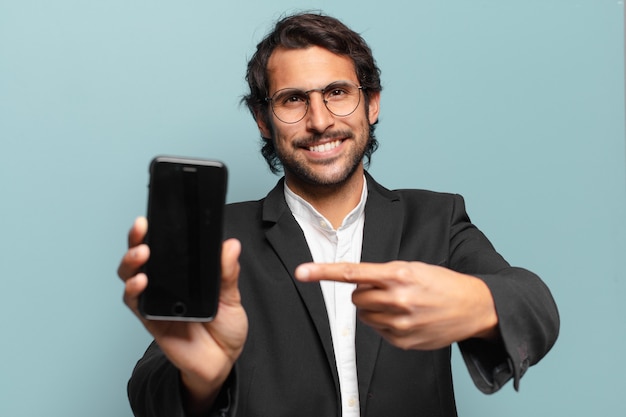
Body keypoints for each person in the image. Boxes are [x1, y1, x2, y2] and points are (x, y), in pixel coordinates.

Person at [117, 12, 559, 417]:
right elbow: (148, 391)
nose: (320, 120)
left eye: (337, 93)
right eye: (293, 99)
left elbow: (535, 306)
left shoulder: (436, 219)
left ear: (372, 104)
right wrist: (203, 379)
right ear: (263, 120)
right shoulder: (222, 239)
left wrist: (474, 304)